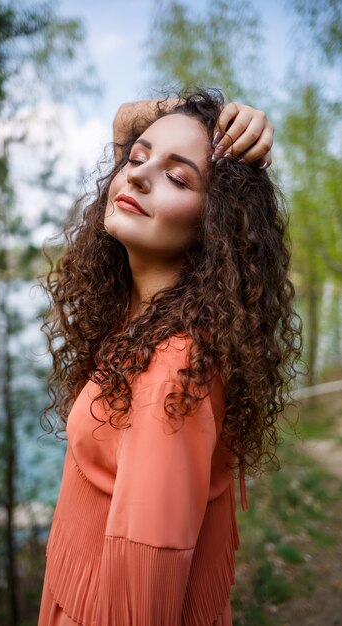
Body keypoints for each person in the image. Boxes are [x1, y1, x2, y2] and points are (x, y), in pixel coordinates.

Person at [37, 89, 301, 626]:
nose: (134, 176)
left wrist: (216, 128)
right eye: (136, 159)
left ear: (217, 224)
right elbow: (126, 121)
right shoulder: (146, 314)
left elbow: (143, 600)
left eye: (179, 178)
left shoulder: (170, 372)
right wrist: (196, 113)